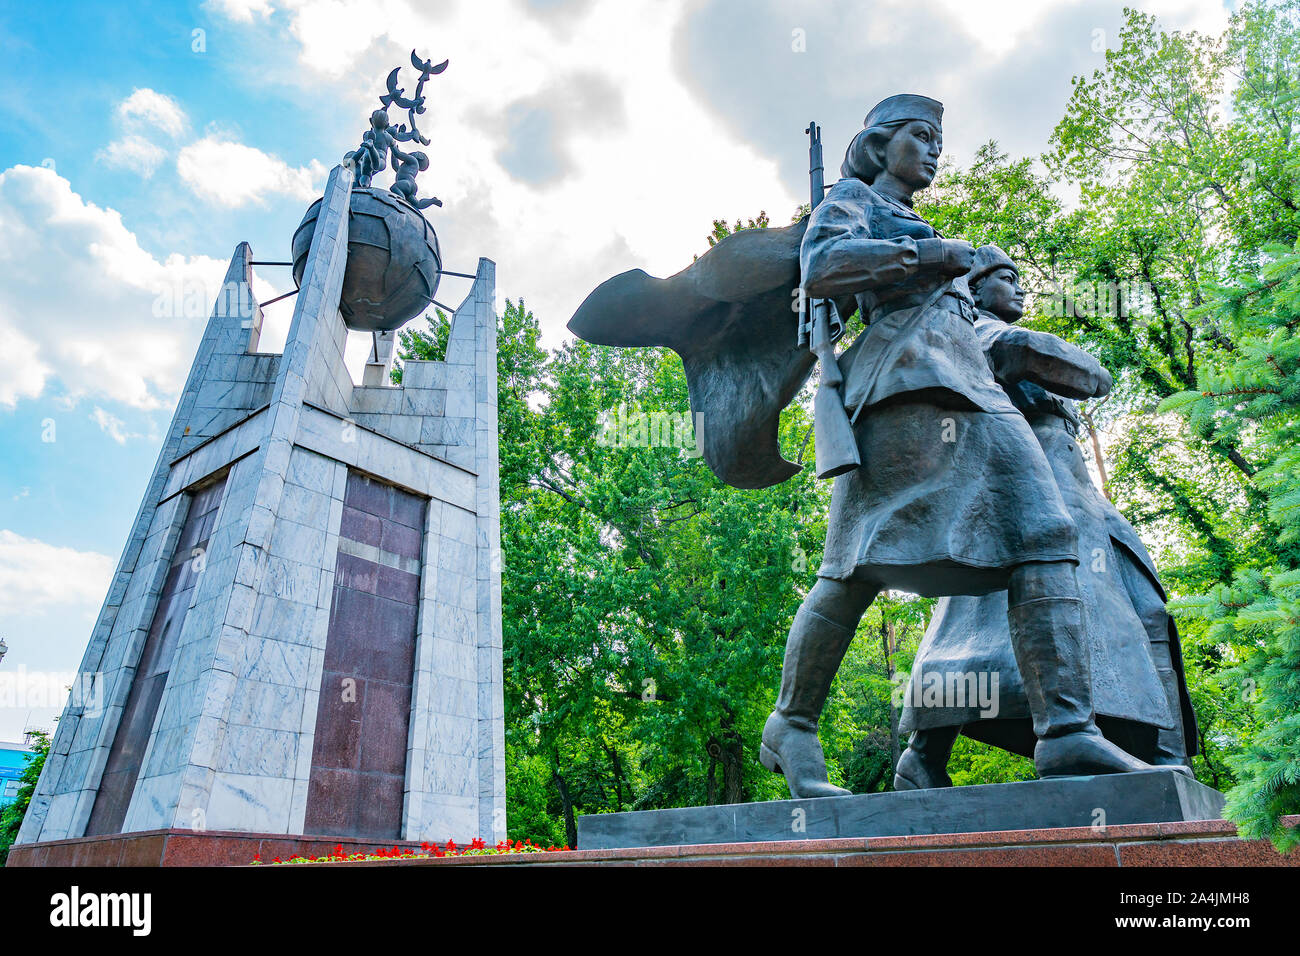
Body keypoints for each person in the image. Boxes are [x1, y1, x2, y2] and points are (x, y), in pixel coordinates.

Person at [759, 94, 1171, 797]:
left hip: (971, 391)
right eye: (920, 137)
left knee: (1048, 532)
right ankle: (791, 726)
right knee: (854, 566)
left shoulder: (911, 217)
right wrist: (925, 254)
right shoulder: (855, 200)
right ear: (879, 143)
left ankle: (1067, 733)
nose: (933, 151)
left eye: (938, 141)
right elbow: (822, 266)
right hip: (903, 392)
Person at [892, 246, 1197, 788]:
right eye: (1006, 279)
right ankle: (924, 752)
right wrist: (1090, 370)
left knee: (1148, 610)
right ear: (977, 289)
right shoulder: (973, 332)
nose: (1020, 288)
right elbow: (1036, 355)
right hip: (1025, 491)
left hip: (1080, 497)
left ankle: (1165, 756)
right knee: (984, 627)